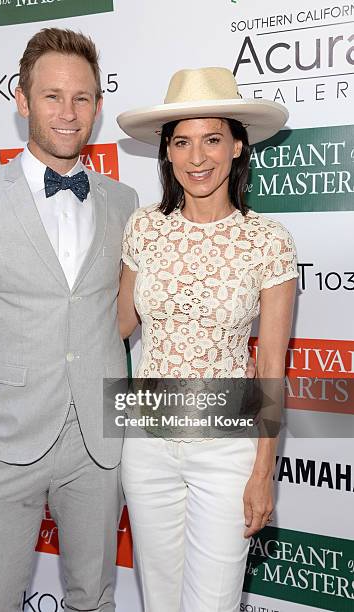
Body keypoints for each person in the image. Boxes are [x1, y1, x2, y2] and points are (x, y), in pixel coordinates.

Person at [0, 28, 138, 612]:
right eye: (52, 96)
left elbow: (121, 318)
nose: (68, 113)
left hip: (96, 445)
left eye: (82, 98)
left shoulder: (123, 202)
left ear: (98, 107)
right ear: (22, 100)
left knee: (94, 598)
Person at [116, 67, 298, 611]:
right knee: (159, 601)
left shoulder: (268, 241)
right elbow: (116, 325)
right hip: (146, 443)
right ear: (166, 152)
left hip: (227, 448)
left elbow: (271, 366)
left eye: (213, 139)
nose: (198, 158)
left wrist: (262, 472)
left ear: (238, 146)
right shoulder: (143, 228)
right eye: (182, 142)